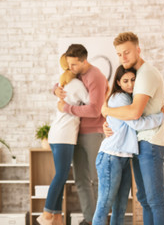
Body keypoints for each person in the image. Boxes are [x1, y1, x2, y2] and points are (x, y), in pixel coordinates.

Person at [101, 32, 164, 224]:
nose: (123, 57)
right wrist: (108, 121)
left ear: (138, 50)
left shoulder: (146, 74)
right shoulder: (137, 75)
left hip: (151, 142)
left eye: (127, 52)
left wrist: (106, 110)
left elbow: (134, 113)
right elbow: (128, 111)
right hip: (140, 143)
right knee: (145, 200)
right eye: (119, 54)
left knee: (154, 200)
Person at [54, 44, 108, 225]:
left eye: (74, 65)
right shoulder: (76, 73)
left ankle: (101, 220)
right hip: (75, 134)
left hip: (93, 133)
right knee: (81, 180)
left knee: (96, 178)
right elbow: (64, 81)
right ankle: (89, 219)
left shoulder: (96, 77)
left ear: (84, 61)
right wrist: (55, 89)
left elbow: (95, 110)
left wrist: (66, 108)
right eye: (69, 65)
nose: (70, 68)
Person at [37, 55, 89, 225]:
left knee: (61, 176)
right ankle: (46, 214)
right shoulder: (77, 85)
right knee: (61, 175)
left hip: (57, 135)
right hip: (64, 136)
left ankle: (57, 217)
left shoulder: (64, 83)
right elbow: (92, 104)